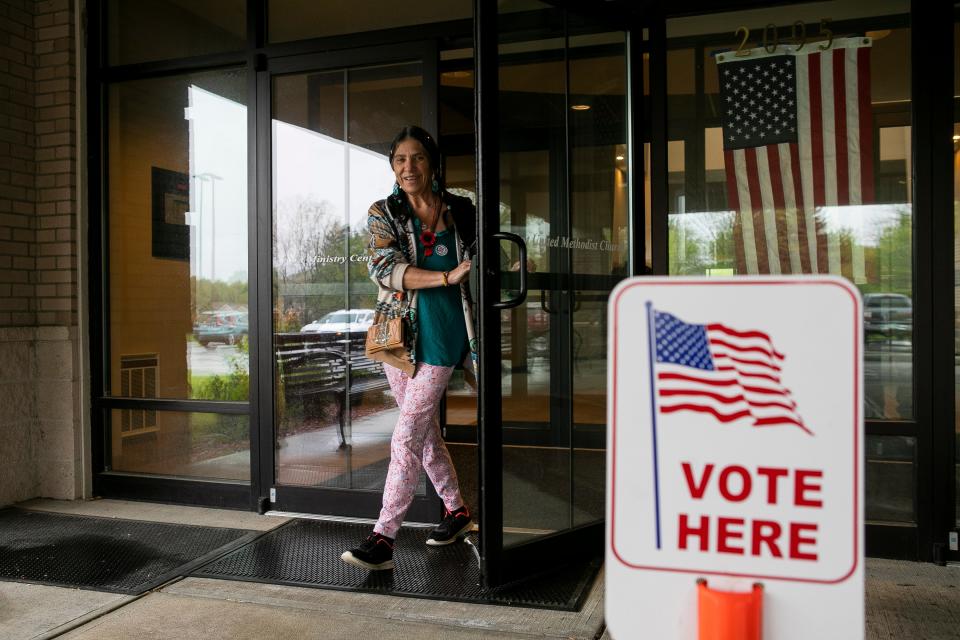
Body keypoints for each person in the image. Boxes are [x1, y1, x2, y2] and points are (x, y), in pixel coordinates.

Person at [341, 125, 477, 571]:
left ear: (432, 164)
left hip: (445, 335)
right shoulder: (384, 212)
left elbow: (485, 256)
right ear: (393, 166)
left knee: (404, 436)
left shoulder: (461, 210)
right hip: (400, 338)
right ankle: (456, 512)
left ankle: (383, 538)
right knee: (423, 434)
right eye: (400, 159)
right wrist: (444, 276)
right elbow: (384, 268)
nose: (408, 167)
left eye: (417, 158)